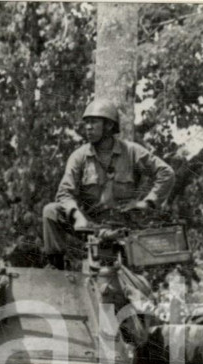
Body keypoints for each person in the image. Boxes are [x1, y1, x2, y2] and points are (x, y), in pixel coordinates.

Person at [42, 99, 175, 269]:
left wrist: (148, 203)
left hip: (124, 226)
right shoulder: (80, 156)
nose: (88, 127)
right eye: (86, 123)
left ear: (109, 126)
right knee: (51, 211)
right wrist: (77, 215)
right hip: (90, 226)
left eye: (94, 122)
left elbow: (166, 173)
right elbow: (64, 193)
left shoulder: (132, 152)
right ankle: (56, 267)